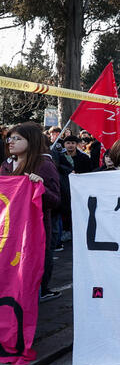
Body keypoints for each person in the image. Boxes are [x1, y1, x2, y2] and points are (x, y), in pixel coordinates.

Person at [1, 123, 62, 301]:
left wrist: (40, 188)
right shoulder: (7, 164)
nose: (11, 142)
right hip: (10, 227)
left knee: (35, 262)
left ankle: (37, 293)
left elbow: (56, 201)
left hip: (36, 228)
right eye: (10, 138)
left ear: (32, 141)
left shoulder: (44, 165)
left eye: (17, 138)